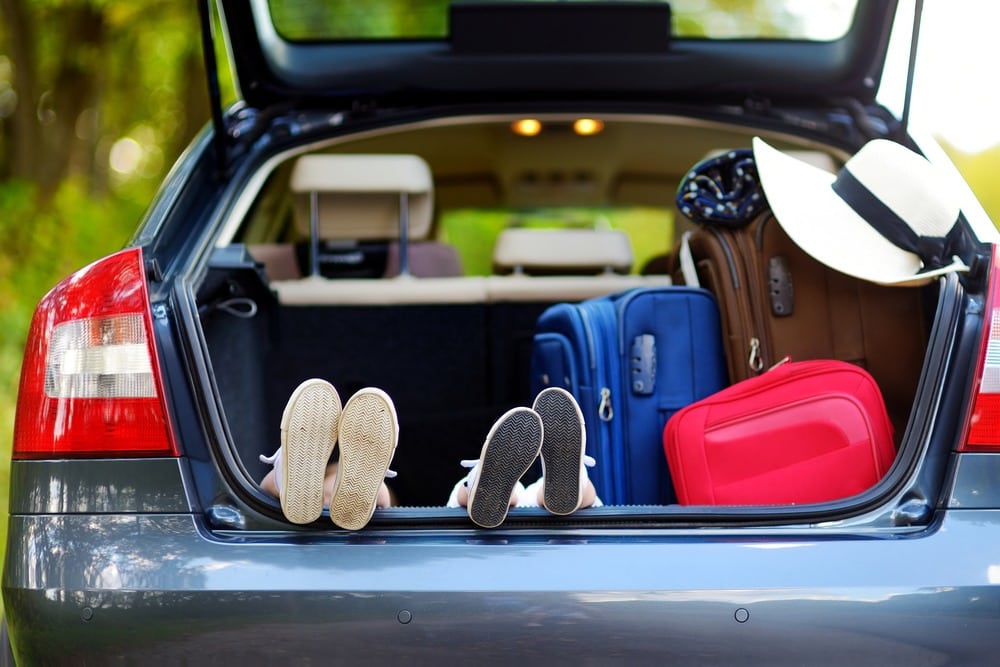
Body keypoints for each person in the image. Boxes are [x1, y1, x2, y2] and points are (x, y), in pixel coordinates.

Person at [259, 379, 599, 530]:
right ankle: (566, 483)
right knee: (568, 496)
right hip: (558, 524)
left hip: (349, 502)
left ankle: (287, 477)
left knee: (478, 496)